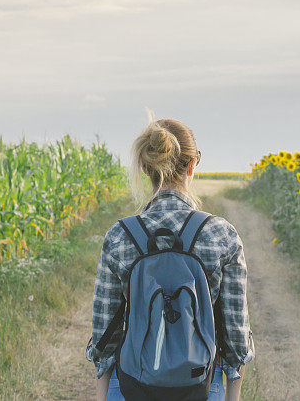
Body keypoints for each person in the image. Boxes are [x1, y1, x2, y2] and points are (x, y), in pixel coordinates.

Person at [86, 115, 255, 401]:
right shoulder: (222, 235)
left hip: (132, 384)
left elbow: (105, 334)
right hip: (200, 383)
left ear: (144, 167)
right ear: (192, 165)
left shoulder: (119, 236)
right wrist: (231, 393)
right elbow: (235, 336)